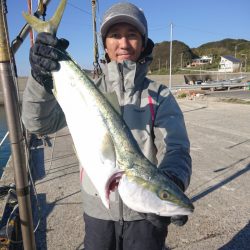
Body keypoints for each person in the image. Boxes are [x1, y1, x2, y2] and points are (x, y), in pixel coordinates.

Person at [22, 2, 192, 250]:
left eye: (132, 35)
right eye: (115, 35)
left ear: (143, 42)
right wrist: (39, 81)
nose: (123, 43)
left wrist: (173, 181)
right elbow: (37, 123)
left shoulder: (159, 95)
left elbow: (176, 147)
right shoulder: (86, 91)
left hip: (145, 219)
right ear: (105, 43)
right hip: (98, 212)